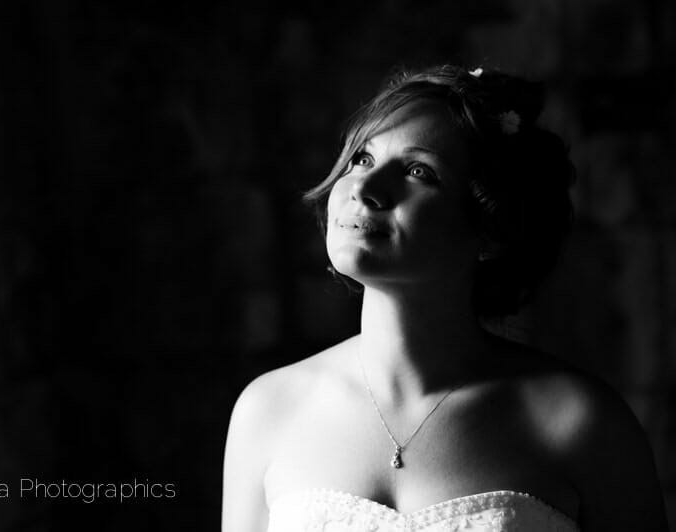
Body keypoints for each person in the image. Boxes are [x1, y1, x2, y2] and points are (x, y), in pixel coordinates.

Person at [221, 65, 668, 532]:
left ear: (490, 230)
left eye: (418, 171)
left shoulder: (579, 422)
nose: (365, 190)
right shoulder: (268, 408)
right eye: (361, 159)